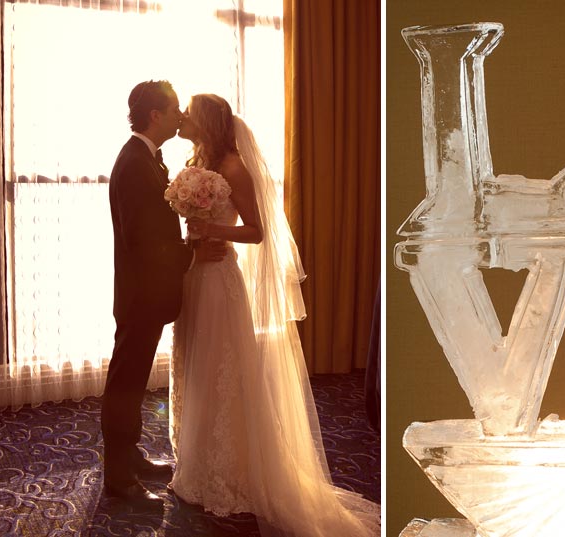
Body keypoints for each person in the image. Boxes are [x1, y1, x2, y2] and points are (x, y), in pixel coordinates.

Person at [169, 93, 379, 535]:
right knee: (197, 365)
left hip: (221, 280)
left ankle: (230, 472)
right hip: (196, 276)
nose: (184, 118)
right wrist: (192, 237)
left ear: (207, 122)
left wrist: (212, 230)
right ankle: (198, 463)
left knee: (223, 369)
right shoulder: (198, 165)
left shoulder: (233, 168)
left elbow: (257, 230)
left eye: (190, 113)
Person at [103, 81, 226, 509]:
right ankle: (118, 478)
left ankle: (130, 457)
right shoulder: (135, 162)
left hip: (145, 293)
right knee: (125, 383)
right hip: (140, 295)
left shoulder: (146, 158)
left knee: (132, 382)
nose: (179, 117)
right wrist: (192, 252)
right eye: (174, 110)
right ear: (155, 115)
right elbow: (144, 240)